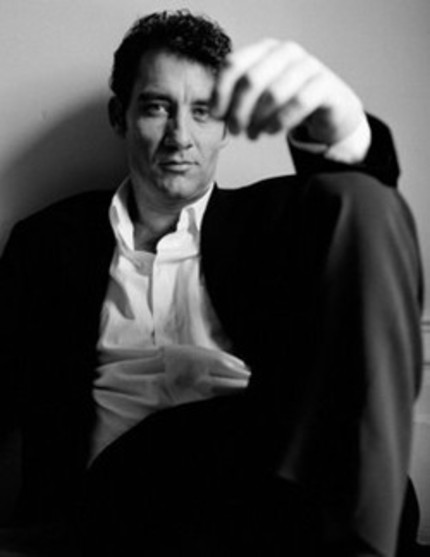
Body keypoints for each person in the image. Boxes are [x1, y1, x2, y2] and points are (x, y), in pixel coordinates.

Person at [0, 9, 424, 557]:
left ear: (227, 127)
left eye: (203, 111)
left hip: (263, 488)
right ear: (119, 116)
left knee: (361, 202)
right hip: (114, 498)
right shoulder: (48, 241)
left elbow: (368, 233)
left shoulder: (279, 223)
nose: (180, 137)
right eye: (157, 107)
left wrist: (344, 130)